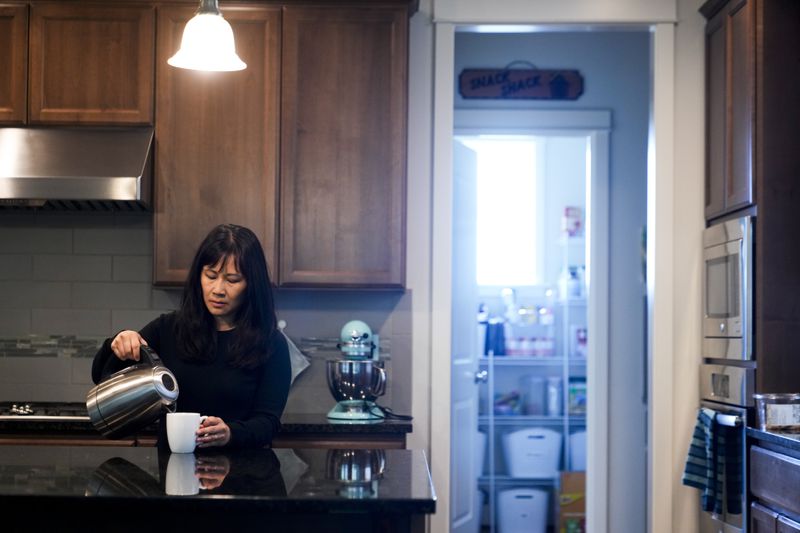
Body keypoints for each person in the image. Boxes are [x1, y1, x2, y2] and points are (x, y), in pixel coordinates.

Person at [91, 224, 291, 449]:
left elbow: (268, 423)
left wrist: (230, 433)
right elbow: (101, 376)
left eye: (232, 280)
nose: (218, 289)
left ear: (251, 285)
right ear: (199, 276)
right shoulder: (168, 329)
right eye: (211, 275)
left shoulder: (271, 344)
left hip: (242, 475)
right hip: (173, 473)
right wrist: (118, 343)